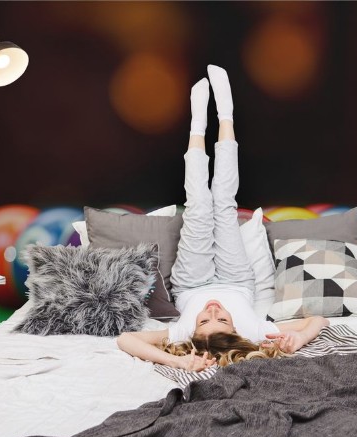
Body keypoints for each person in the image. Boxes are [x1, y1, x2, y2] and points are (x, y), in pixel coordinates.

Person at [117, 65, 329, 372]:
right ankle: (226, 113)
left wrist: (175, 360)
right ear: (236, 330)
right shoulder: (256, 332)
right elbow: (318, 320)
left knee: (199, 206)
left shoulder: (182, 333)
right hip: (238, 280)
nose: (213, 310)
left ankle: (197, 125)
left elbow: (126, 339)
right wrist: (299, 337)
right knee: (224, 205)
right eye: (223, 319)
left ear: (193, 331)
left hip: (191, 283)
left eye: (204, 319)